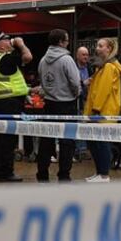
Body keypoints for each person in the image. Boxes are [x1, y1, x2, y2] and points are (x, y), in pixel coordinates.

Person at [0, 32, 32, 182]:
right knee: (8, 139)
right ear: (0, 45)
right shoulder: (5, 58)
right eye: (6, 40)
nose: (9, 41)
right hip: (10, 103)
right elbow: (28, 57)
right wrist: (20, 44)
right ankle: (6, 172)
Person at [37, 29, 80, 182]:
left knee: (46, 141)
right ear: (61, 42)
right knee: (67, 141)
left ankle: (42, 174)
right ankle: (64, 175)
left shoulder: (43, 60)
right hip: (67, 104)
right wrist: (75, 94)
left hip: (49, 104)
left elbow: (42, 82)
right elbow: (75, 82)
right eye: (67, 40)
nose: (68, 43)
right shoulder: (67, 60)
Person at [83, 37, 121, 183]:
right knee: (95, 144)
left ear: (109, 49)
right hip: (100, 111)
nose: (97, 48)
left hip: (102, 112)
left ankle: (104, 174)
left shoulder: (108, 67)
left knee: (102, 144)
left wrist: (95, 109)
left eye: (101, 46)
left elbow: (103, 90)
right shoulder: (103, 67)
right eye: (97, 45)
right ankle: (99, 172)